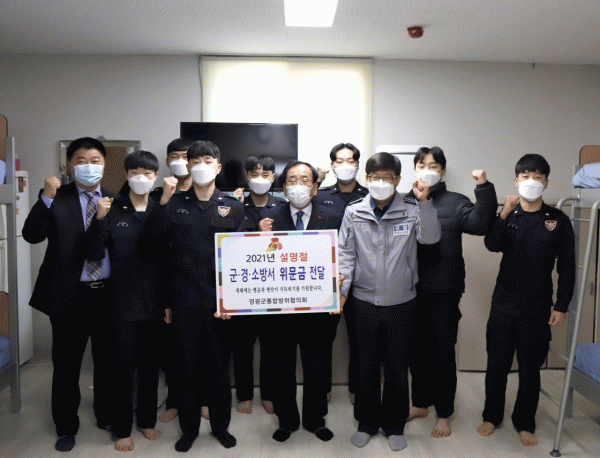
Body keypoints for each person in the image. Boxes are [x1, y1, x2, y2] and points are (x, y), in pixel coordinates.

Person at [142, 140, 246, 452]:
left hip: (220, 304)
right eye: (195, 161)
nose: (201, 166)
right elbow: (155, 250)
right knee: (186, 369)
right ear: (187, 166)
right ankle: (189, 430)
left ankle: (220, 427)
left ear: (218, 166)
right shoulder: (173, 203)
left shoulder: (232, 205)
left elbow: (241, 257)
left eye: (207, 160)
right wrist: (167, 301)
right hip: (183, 300)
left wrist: (233, 300)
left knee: (219, 369)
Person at [338, 152, 441, 452]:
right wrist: (341, 291)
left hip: (402, 302)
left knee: (397, 366)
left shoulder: (411, 209)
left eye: (387, 177)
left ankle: (395, 424)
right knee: (366, 365)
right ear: (367, 178)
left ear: (397, 180)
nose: (380, 182)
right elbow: (345, 253)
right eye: (374, 177)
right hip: (363, 301)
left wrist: (424, 202)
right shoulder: (354, 211)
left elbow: (431, 238)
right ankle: (367, 422)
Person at [22, 137, 116, 452]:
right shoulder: (56, 197)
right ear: (68, 165)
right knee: (66, 366)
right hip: (68, 295)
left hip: (107, 295)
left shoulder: (115, 200)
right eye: (80, 160)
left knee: (107, 362)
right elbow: (31, 235)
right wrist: (46, 197)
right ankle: (65, 426)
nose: (88, 166)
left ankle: (106, 416)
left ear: (104, 164)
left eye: (95, 160)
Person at [476, 154, 575, 447]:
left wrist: (562, 305)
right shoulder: (509, 214)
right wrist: (504, 212)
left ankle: (524, 423)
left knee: (530, 370)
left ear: (546, 182)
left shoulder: (557, 220)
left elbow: (567, 266)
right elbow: (492, 244)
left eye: (537, 177)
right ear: (516, 181)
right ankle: (492, 416)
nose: (531, 181)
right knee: (497, 364)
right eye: (526, 176)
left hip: (537, 306)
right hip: (504, 303)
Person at [406, 146, 498, 438]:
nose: (427, 170)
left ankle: (444, 413)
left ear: (443, 171)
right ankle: (420, 403)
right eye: (422, 165)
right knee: (417, 351)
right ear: (414, 169)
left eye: (433, 166)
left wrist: (483, 187)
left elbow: (480, 225)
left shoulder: (456, 202)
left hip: (444, 289)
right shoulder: (405, 201)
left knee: (443, 352)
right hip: (409, 290)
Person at [86, 150, 167, 451]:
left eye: (147, 173)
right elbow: (94, 254)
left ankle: (146, 421)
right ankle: (122, 428)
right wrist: (99, 219)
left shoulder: (161, 209)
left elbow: (169, 259)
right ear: (126, 175)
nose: (141, 178)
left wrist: (168, 303)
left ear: (155, 177)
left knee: (150, 369)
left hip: (155, 304)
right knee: (122, 370)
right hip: (120, 304)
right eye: (135, 172)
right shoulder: (112, 208)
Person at [258, 160, 342, 443]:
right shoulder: (269, 218)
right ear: (283, 188)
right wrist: (261, 238)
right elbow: (258, 261)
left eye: (305, 180)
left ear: (315, 187)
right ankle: (287, 420)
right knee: (281, 367)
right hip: (280, 309)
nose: (298, 185)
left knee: (317, 367)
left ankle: (315, 419)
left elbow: (342, 255)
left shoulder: (332, 217)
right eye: (292, 180)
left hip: (318, 308)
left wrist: (339, 280)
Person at [314, 142, 369, 405]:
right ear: (332, 165)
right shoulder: (321, 195)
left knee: (360, 339)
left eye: (350, 160)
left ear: (358, 164)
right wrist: (317, 180)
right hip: (327, 279)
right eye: (339, 160)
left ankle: (357, 389)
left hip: (362, 279)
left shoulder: (370, 195)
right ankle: (323, 388)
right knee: (323, 339)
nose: (345, 165)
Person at [230, 155, 285, 415]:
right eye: (254, 174)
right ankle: (244, 395)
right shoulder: (234, 205)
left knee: (271, 347)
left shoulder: (283, 206)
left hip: (274, 289)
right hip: (244, 289)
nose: (259, 179)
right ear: (247, 177)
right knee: (242, 346)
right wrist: (255, 233)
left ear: (273, 178)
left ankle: (269, 394)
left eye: (265, 174)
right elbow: (227, 244)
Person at [151, 138, 193, 425]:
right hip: (167, 284)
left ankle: (202, 400)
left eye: (186, 156)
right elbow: (151, 239)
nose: (181, 161)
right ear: (167, 161)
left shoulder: (207, 194)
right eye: (175, 156)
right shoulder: (157, 196)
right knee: (172, 351)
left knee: (203, 349)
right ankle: (176, 401)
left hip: (200, 284)